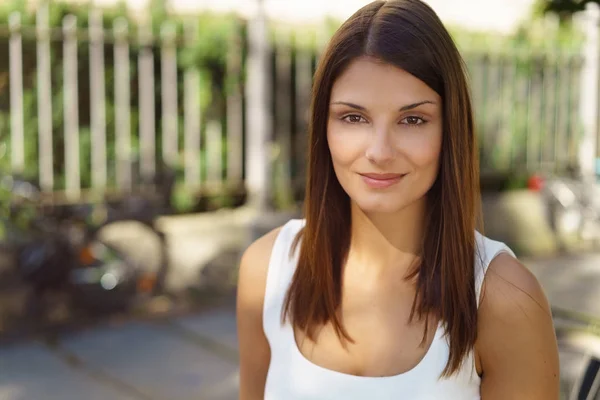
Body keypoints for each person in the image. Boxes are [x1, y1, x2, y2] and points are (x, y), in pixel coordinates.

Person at [236, 0, 560, 398]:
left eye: (412, 120)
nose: (380, 151)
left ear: (449, 131)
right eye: (354, 117)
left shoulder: (505, 300)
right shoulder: (266, 272)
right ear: (325, 129)